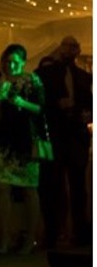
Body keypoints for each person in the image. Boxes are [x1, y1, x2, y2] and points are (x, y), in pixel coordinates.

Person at [38, 35, 91, 248]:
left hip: (76, 136)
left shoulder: (84, 77)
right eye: (67, 46)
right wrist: (56, 105)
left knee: (79, 187)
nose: (70, 50)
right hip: (57, 135)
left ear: (78, 51)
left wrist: (87, 114)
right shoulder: (46, 74)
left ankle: (81, 232)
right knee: (53, 185)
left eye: (74, 47)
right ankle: (52, 232)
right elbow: (41, 103)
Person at [0, 44, 46, 255]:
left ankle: (30, 237)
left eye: (15, 61)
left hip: (26, 141)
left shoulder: (32, 80)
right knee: (2, 188)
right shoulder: (0, 83)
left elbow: (41, 109)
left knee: (29, 189)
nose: (10, 65)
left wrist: (21, 102)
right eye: (7, 61)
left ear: (23, 62)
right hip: (5, 142)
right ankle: (6, 236)